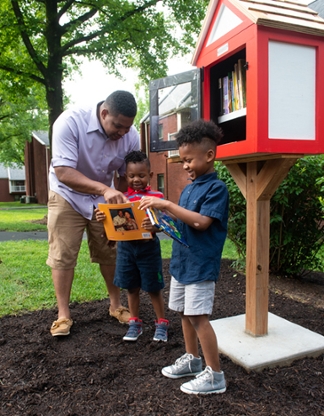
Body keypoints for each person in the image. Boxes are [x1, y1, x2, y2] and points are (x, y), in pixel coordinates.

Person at [139, 119, 229, 395]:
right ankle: (192, 359)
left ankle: (215, 375)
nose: (186, 165)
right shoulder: (189, 188)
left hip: (201, 264)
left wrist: (166, 204)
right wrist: (159, 225)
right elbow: (184, 224)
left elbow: (201, 223)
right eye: (183, 160)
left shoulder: (216, 189)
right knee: (183, 312)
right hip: (182, 263)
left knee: (198, 316)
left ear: (210, 156)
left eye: (189, 160)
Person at [47, 90, 140, 337]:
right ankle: (63, 314)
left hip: (104, 198)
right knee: (63, 253)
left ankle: (116, 305)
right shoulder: (69, 122)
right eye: (118, 126)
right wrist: (104, 189)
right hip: (66, 194)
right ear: (104, 113)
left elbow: (125, 176)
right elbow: (64, 172)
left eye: (126, 128)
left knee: (110, 250)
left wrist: (115, 198)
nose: (122, 133)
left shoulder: (131, 135)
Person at [96, 150, 169, 342]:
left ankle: (161, 323)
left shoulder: (156, 197)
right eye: (131, 176)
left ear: (150, 175)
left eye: (141, 175)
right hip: (126, 250)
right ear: (125, 176)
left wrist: (154, 227)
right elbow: (110, 231)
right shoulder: (120, 200)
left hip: (148, 249)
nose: (136, 179)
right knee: (131, 287)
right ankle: (135, 323)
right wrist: (103, 219)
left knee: (153, 288)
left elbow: (163, 225)